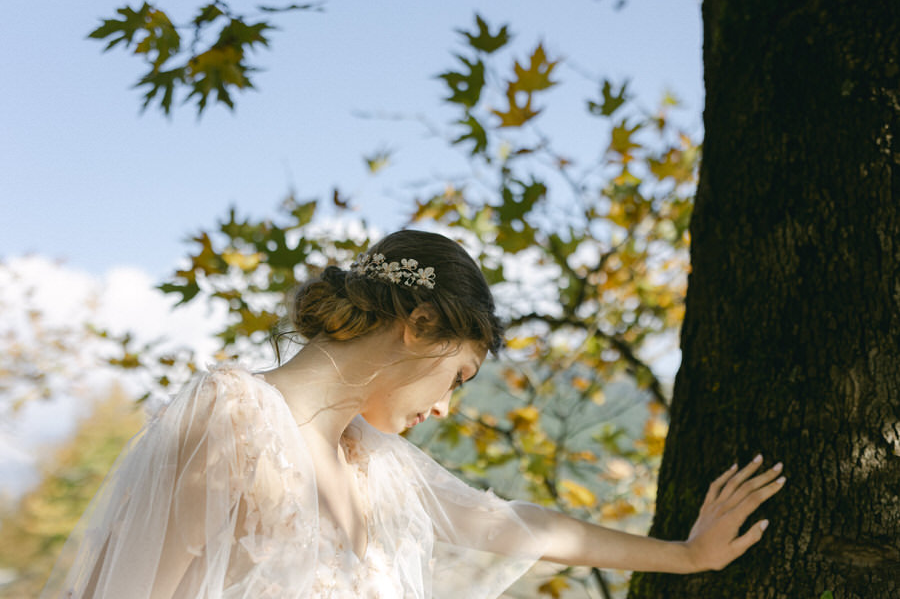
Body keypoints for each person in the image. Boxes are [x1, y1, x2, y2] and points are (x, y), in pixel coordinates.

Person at [41, 230, 785, 598]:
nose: (443, 407)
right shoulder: (233, 421)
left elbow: (518, 526)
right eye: (458, 376)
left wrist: (685, 555)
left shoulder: (377, 465)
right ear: (420, 325)